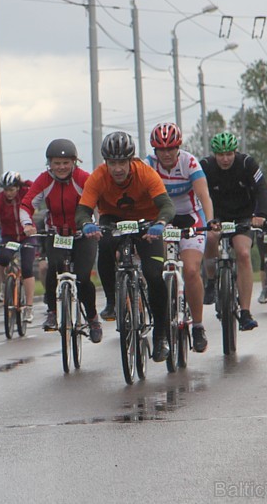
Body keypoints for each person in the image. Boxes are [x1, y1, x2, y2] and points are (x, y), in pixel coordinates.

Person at [76, 131, 176, 362]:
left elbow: (166, 205)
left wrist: (160, 224)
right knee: (106, 243)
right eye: (112, 163)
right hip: (113, 219)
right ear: (106, 162)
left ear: (131, 160)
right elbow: (83, 210)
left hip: (148, 223)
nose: (118, 168)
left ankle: (161, 337)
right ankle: (112, 301)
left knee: (153, 275)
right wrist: (86, 225)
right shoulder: (98, 177)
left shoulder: (146, 173)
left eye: (122, 162)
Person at [19, 138, 102, 343]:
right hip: (57, 233)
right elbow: (27, 204)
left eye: (66, 163)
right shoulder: (44, 180)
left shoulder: (83, 178)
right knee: (51, 267)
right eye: (56, 163)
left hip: (83, 234)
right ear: (50, 164)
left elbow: (100, 204)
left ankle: (92, 318)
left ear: (75, 162)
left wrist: (98, 226)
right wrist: (27, 224)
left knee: (83, 278)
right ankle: (52, 311)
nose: (61, 167)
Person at [145, 122, 214, 353]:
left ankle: (198, 325)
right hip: (162, 220)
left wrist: (211, 221)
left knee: (192, 270)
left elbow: (204, 195)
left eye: (171, 149)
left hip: (190, 217)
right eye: (161, 149)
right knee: (155, 270)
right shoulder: (149, 165)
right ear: (154, 150)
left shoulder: (189, 162)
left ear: (178, 147)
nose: (166, 154)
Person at [200, 131, 267, 332]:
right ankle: (212, 280)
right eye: (220, 155)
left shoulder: (247, 164)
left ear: (235, 152)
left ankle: (246, 312)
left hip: (243, 217)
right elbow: (195, 191)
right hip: (217, 217)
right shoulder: (205, 167)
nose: (225, 159)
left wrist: (262, 214)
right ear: (214, 155)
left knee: (243, 253)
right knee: (210, 239)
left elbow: (262, 189)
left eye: (229, 154)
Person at [0, 171, 36, 323]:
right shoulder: (0, 199)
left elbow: (36, 188)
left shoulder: (25, 193)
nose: (8, 193)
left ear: (17, 187)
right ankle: (2, 288)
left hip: (27, 235)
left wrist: (24, 182)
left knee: (27, 269)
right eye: (6, 190)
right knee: (3, 259)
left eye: (12, 189)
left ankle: (29, 308)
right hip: (10, 237)